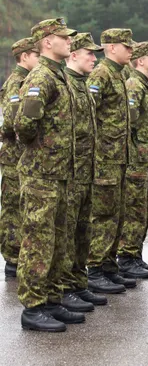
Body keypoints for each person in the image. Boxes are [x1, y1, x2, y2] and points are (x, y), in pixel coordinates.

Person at [14, 18, 81, 332]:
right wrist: (41, 149)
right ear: (46, 42)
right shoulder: (41, 77)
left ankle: (52, 299)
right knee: (38, 240)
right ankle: (34, 306)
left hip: (60, 173)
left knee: (58, 239)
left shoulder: (60, 75)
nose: (69, 42)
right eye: (63, 38)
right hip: (42, 173)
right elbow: (23, 125)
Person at [87, 28, 139, 292]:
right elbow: (88, 114)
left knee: (117, 213)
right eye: (126, 46)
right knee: (103, 214)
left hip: (119, 157)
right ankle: (95, 269)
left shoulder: (118, 74)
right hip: (104, 158)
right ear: (111, 47)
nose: (131, 50)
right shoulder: (101, 74)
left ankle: (108, 265)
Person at [61, 33, 109, 311]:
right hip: (69, 171)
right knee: (66, 233)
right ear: (74, 55)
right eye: (89, 53)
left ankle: (77, 283)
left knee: (82, 231)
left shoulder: (81, 85)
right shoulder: (66, 83)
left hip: (86, 170)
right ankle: (66, 287)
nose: (94, 58)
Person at [117, 41, 148, 278]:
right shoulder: (134, 84)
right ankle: (126, 257)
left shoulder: (141, 84)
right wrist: (137, 150)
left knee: (142, 208)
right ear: (140, 60)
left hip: (143, 158)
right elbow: (129, 123)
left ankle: (134, 255)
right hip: (136, 158)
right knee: (134, 209)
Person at [0, 38, 39, 278]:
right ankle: (13, 258)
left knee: (24, 206)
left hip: (23, 155)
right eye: (35, 54)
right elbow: (11, 124)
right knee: (13, 207)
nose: (38, 59)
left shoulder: (29, 81)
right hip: (14, 155)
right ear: (24, 56)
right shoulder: (15, 83)